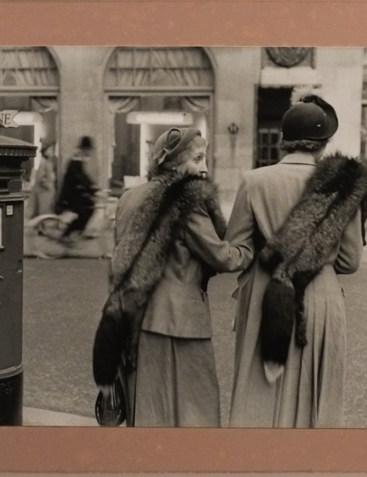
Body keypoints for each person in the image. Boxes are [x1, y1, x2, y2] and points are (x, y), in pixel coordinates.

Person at [224, 95, 367, 428]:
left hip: (265, 292)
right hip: (319, 295)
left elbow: (236, 249)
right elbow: (349, 261)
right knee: (315, 393)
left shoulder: (254, 181)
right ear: (322, 144)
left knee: (259, 391)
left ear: (284, 141)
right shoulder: (343, 184)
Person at [92, 127, 253, 427]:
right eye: (197, 158)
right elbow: (222, 256)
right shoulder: (185, 199)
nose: (204, 167)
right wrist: (248, 247)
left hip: (135, 320)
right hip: (181, 322)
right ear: (174, 162)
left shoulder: (128, 197)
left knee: (150, 408)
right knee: (195, 411)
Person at [56, 136, 97, 240]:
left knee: (89, 206)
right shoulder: (76, 157)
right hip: (70, 193)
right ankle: (67, 233)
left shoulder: (79, 157)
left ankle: (78, 230)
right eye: (89, 149)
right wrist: (90, 187)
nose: (90, 152)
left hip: (75, 192)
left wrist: (93, 186)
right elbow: (79, 176)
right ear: (85, 148)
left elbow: (83, 175)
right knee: (84, 211)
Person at [25, 140, 57, 219]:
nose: (51, 151)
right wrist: (49, 187)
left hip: (46, 192)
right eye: (50, 150)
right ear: (45, 151)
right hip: (44, 193)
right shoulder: (44, 162)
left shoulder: (48, 162)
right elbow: (41, 178)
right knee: (43, 214)